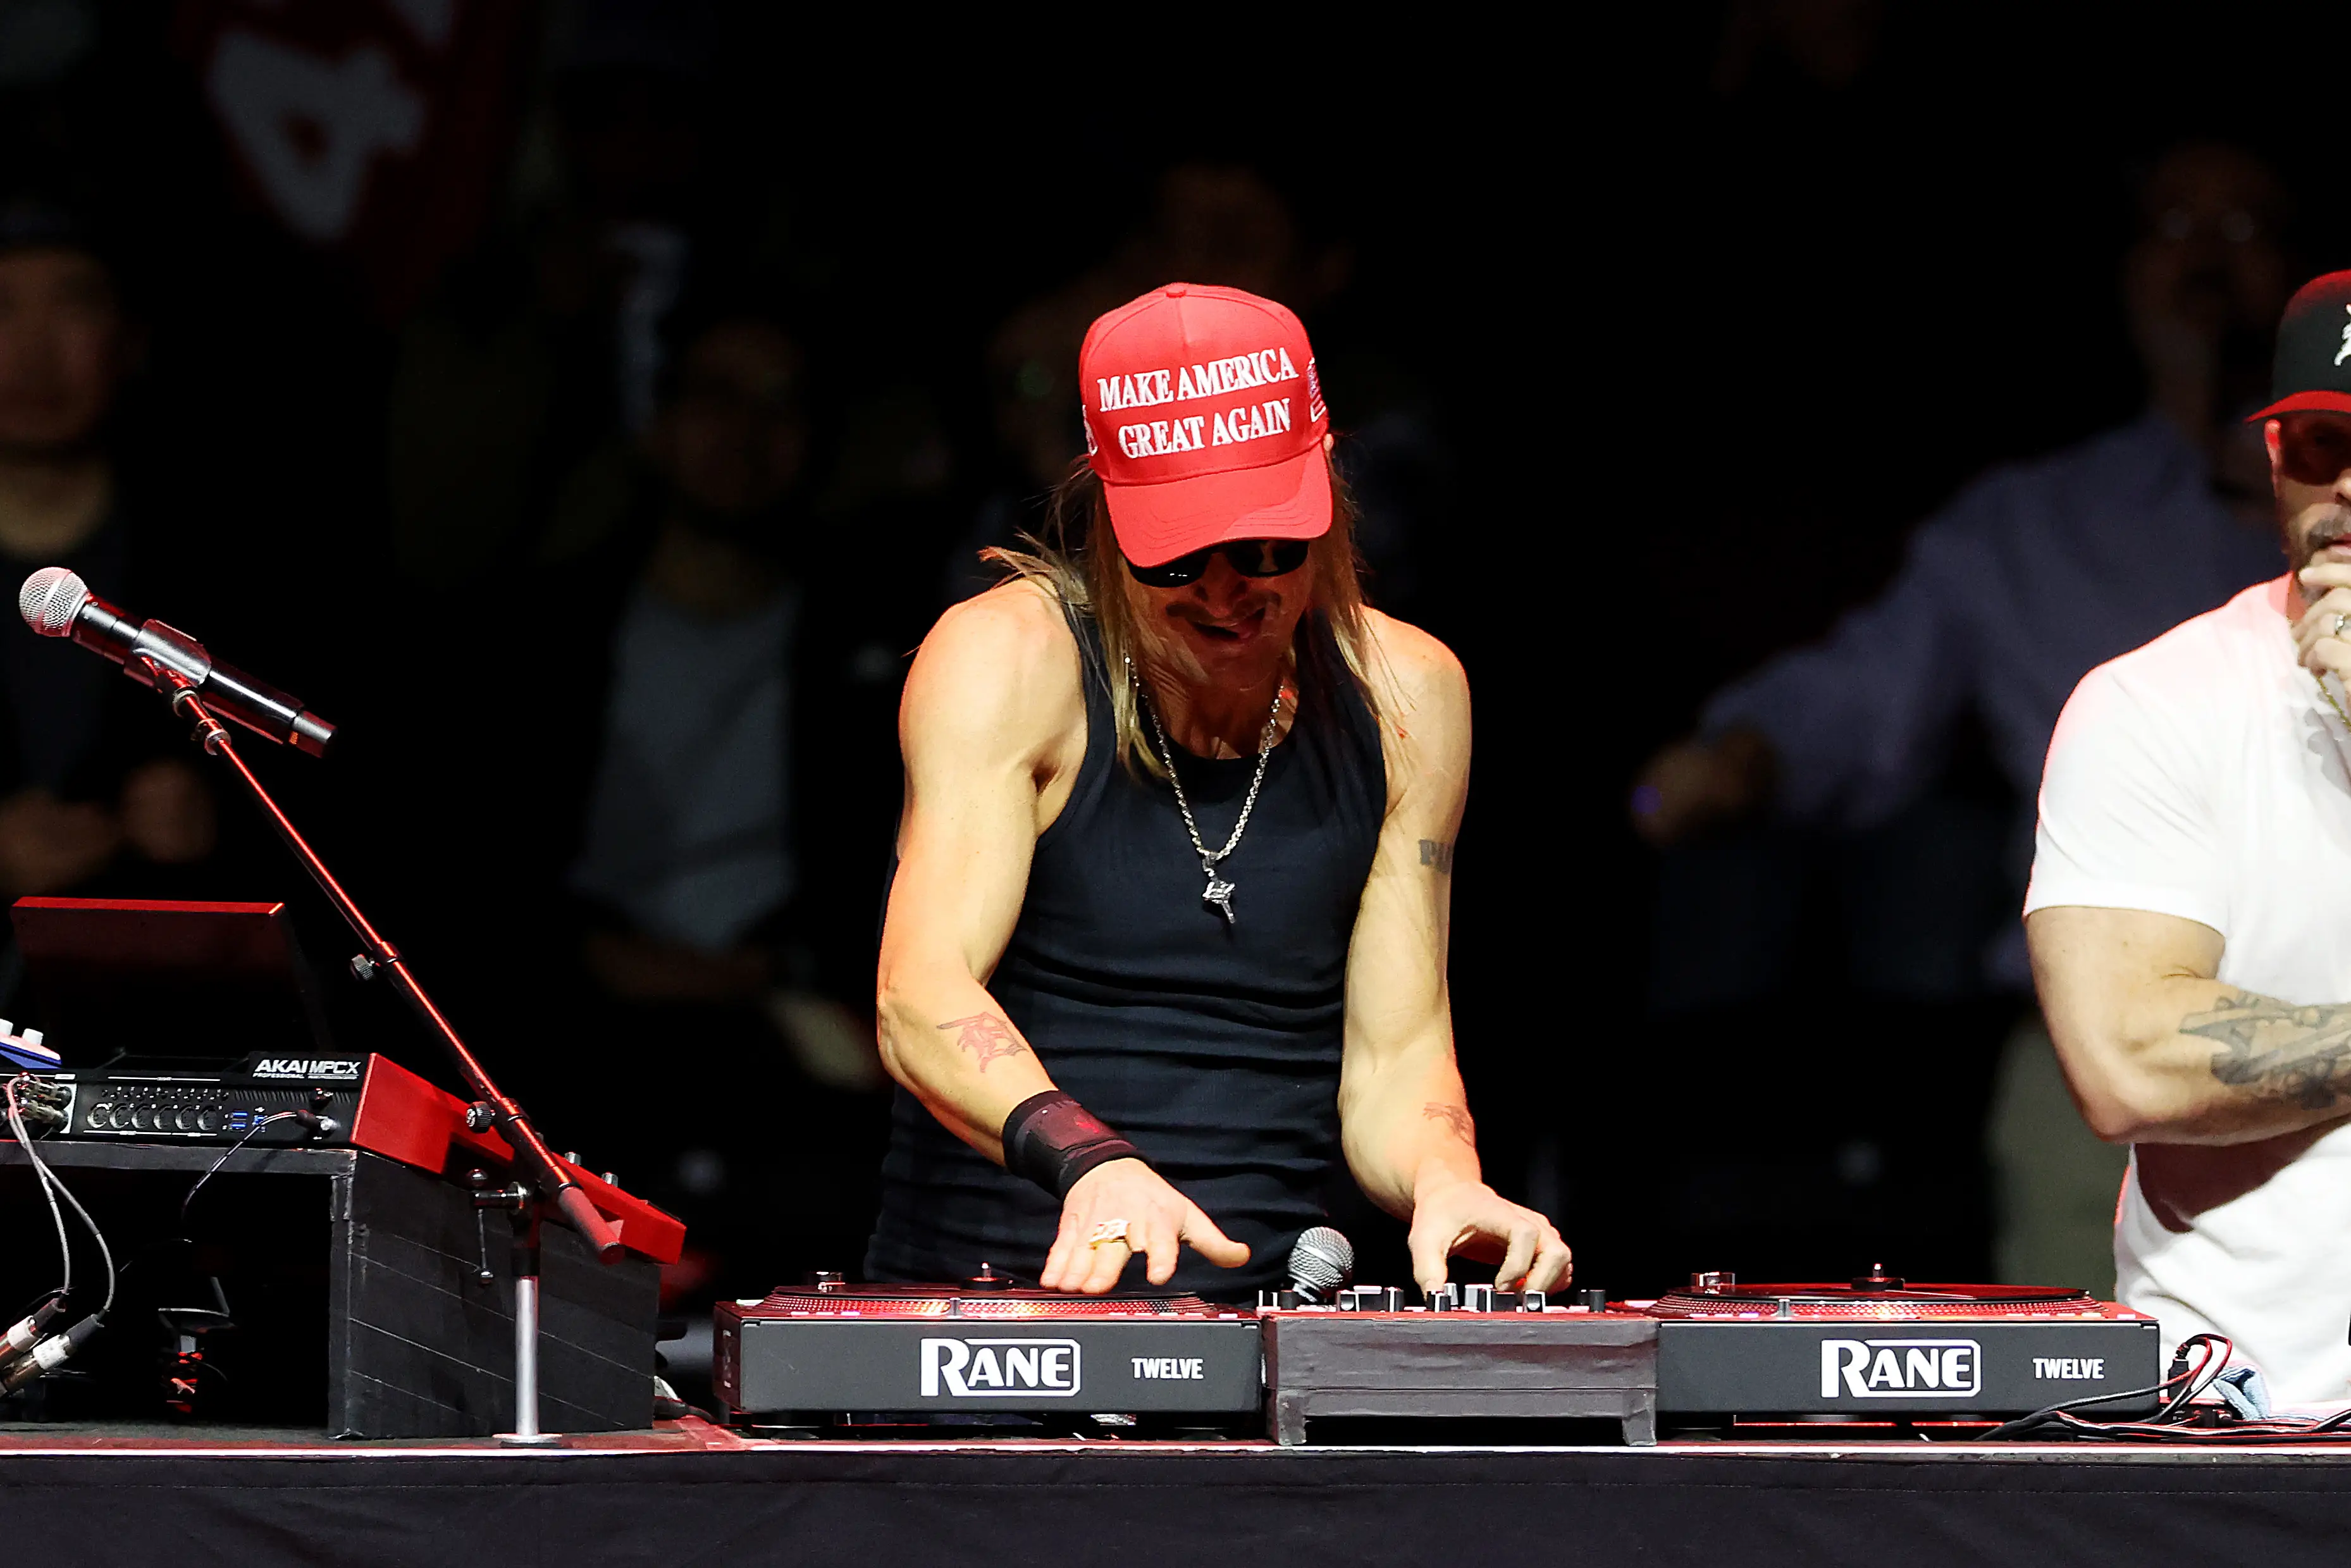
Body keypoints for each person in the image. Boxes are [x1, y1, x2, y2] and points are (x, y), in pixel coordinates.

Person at [1628, 142, 2292, 1291]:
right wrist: (1736, 755)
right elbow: (1869, 686)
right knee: (2115, 1415)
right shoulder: (2031, 524)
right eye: (2173, 225)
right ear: (2127, 272)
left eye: (2239, 231)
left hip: (2329, 994)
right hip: (2110, 1030)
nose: (2202, 260)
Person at [865, 282, 1567, 1299]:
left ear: (1328, 498)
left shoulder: (1407, 695)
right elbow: (919, 996)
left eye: (1268, 543)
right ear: (1108, 518)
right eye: (1180, 551)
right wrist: (1091, 1160)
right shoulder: (1008, 659)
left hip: (1259, 1337)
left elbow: (1395, 1054)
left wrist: (1446, 1180)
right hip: (984, 1318)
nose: (1226, 587)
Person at [2028, 268, 2351, 1403]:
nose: (2345, 487)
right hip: (2247, 1404)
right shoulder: (2154, 703)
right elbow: (2124, 1056)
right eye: (2317, 444)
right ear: (2271, 459)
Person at [0, 197, 217, 909]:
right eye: (1, 307)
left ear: (130, 335)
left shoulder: (220, 547)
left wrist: (213, 817)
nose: (33, 352)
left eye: (74, 305)